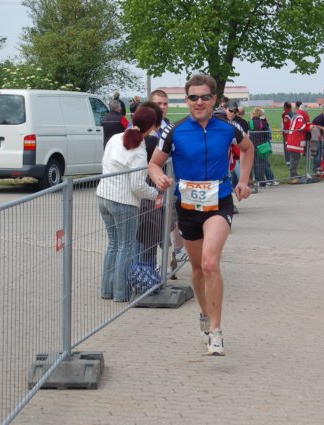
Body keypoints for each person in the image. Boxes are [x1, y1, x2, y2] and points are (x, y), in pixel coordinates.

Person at [148, 74, 254, 356]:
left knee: (209, 263)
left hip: (219, 203)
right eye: (193, 97)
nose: (199, 102)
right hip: (188, 208)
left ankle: (216, 331)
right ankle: (205, 314)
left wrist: (244, 181)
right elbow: (154, 164)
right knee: (197, 269)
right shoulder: (175, 131)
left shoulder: (228, 127)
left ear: (214, 99)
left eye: (205, 97)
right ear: (187, 100)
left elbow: (248, 149)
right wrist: (158, 177)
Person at [97, 106, 159, 302]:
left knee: (113, 245)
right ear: (151, 127)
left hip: (103, 196)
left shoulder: (115, 138)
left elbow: (104, 163)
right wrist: (154, 193)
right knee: (126, 246)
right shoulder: (139, 150)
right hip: (123, 202)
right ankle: (121, 293)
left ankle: (107, 290)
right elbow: (137, 186)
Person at [149, 89, 186, 262]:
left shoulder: (171, 127)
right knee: (151, 222)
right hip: (148, 183)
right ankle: (153, 261)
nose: (162, 107)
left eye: (165, 104)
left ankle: (176, 253)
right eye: (158, 104)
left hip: (170, 180)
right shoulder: (142, 126)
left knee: (174, 217)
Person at [249, 108, 277, 187]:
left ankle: (255, 181)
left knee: (253, 165)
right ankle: (261, 182)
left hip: (252, 145)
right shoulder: (263, 123)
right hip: (262, 146)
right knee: (261, 164)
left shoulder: (250, 123)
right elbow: (268, 134)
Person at [286, 104, 311, 182]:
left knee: (295, 158)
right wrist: (309, 128)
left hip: (293, 139)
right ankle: (293, 175)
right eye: (307, 111)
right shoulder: (300, 117)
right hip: (295, 140)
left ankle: (294, 173)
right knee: (295, 158)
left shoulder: (296, 115)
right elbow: (300, 126)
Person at [311, 106, 324, 172]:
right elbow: (314, 124)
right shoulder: (320, 117)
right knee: (317, 152)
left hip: (319, 135)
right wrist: (323, 128)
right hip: (315, 136)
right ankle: (316, 168)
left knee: (320, 152)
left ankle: (319, 167)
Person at [281, 102, 294, 166]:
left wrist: (285, 133)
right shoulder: (293, 113)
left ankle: (288, 161)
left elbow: (286, 125)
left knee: (286, 147)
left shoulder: (286, 115)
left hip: (287, 134)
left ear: (285, 107)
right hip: (292, 133)